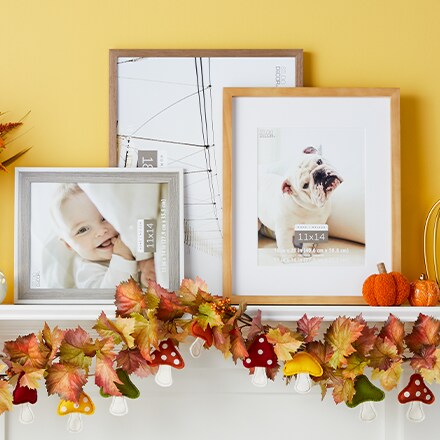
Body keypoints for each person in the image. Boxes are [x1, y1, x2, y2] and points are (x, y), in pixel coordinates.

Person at [51, 183, 155, 289]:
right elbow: (112, 298)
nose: (101, 231)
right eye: (82, 230)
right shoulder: (87, 272)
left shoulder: (130, 233)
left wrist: (146, 262)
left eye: (105, 218)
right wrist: (122, 256)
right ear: (68, 245)